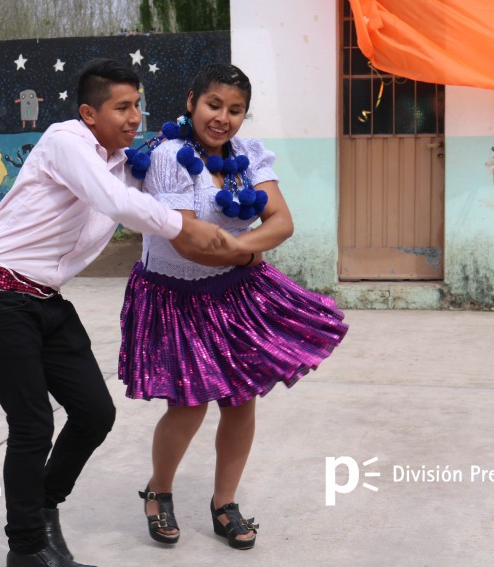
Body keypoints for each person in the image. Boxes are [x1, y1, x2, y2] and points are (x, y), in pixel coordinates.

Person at [0, 58, 224, 567]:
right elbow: (116, 203)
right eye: (121, 107)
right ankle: (28, 549)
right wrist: (182, 228)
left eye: (138, 105)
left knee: (94, 414)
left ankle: (42, 507)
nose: (133, 116)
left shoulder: (126, 164)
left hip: (45, 299)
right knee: (32, 425)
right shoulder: (66, 142)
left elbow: (170, 194)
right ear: (88, 113)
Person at [118, 63, 349, 551]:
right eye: (213, 105)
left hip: (238, 294)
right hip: (175, 298)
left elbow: (282, 222)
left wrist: (232, 245)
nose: (223, 118)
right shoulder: (167, 157)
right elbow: (187, 245)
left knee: (241, 402)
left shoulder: (247, 155)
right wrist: (248, 245)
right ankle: (158, 492)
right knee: (188, 405)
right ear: (191, 101)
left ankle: (224, 503)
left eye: (235, 110)